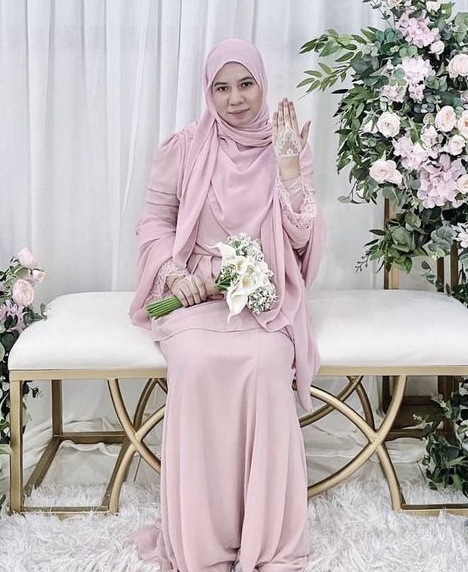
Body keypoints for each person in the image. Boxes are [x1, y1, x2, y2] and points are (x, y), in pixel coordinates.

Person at [128, 38, 326, 572]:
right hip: (194, 292)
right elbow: (153, 222)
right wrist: (172, 271)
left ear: (263, 85)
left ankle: (261, 535)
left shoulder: (287, 145)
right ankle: (203, 539)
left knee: (265, 365)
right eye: (222, 87)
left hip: (262, 292)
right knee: (194, 362)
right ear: (207, 91)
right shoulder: (186, 146)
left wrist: (288, 171)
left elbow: (301, 240)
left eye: (246, 84)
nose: (235, 99)